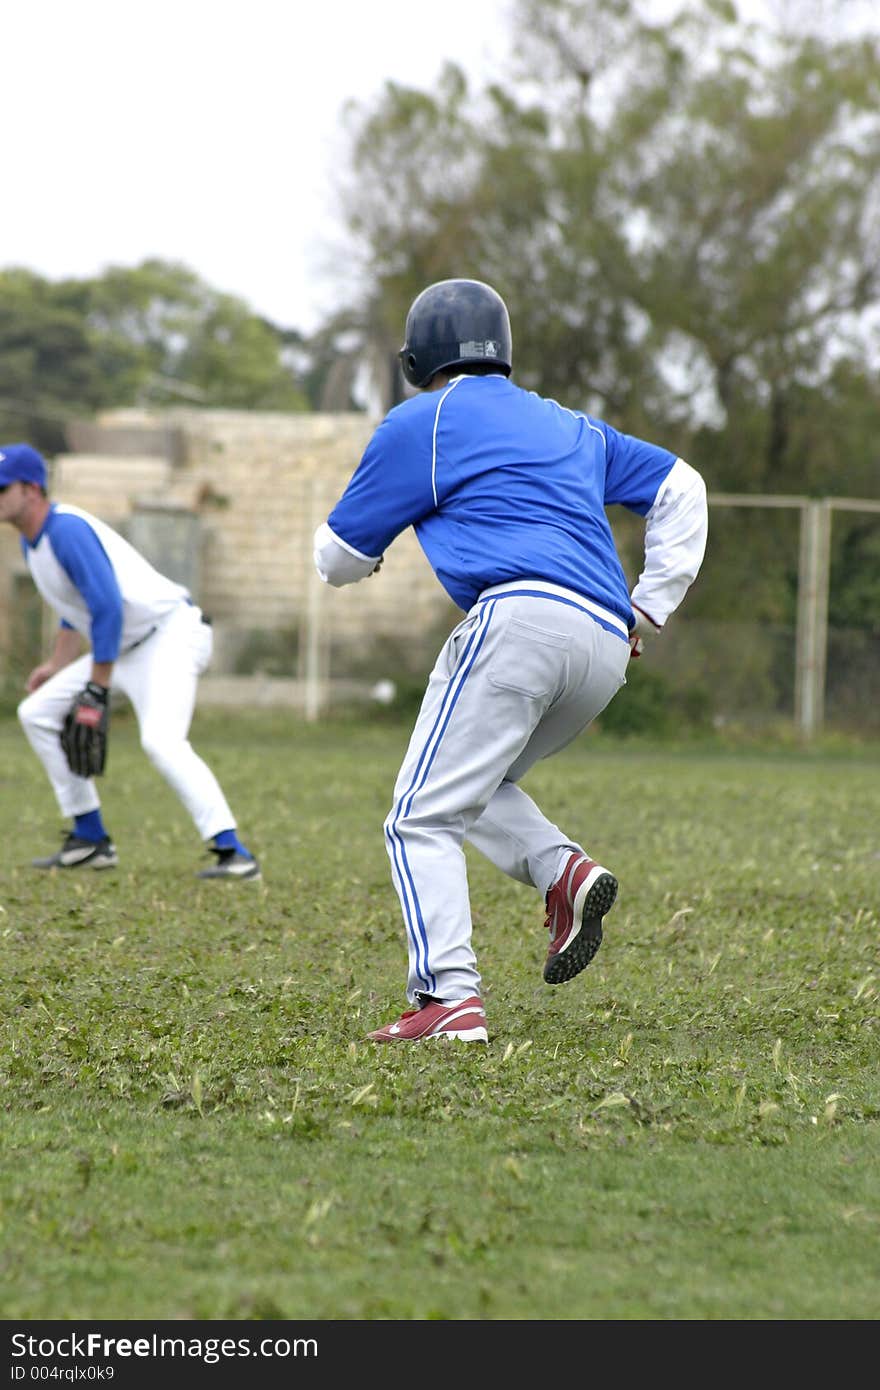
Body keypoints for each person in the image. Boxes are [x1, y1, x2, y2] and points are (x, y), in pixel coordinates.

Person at [314, 279, 708, 1043]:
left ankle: (447, 999)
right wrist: (649, 605)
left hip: (518, 621)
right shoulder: (570, 425)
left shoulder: (421, 422)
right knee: (477, 784)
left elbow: (336, 558)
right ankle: (562, 871)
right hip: (603, 642)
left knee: (418, 817)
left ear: (416, 358)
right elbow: (681, 485)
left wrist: (367, 560)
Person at [0, 442, 260, 880]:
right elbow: (73, 606)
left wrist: (96, 687)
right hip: (125, 647)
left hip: (169, 635)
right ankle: (90, 838)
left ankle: (234, 853)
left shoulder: (65, 530)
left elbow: (107, 608)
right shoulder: (34, 542)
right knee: (37, 712)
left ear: (32, 489)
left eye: (3, 487)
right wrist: (56, 666)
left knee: (162, 742)